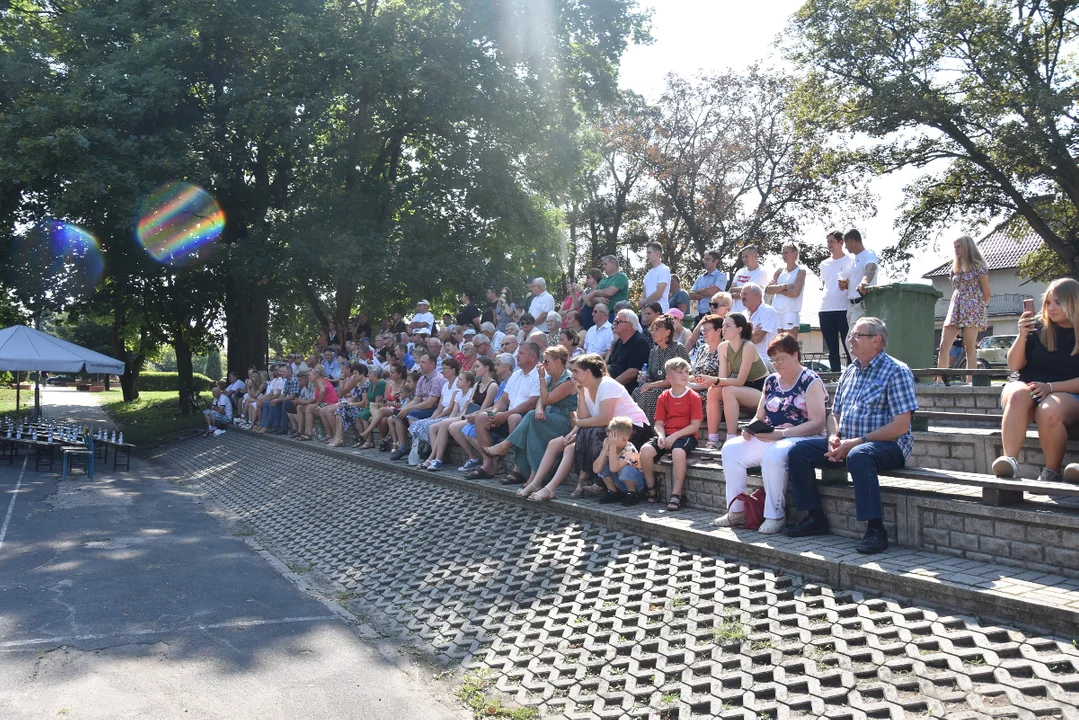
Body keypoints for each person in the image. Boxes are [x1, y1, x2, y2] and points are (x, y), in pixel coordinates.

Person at [785, 317, 917, 554]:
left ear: (877, 340)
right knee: (798, 451)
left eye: (858, 335)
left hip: (889, 445)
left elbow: (901, 426)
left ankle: (876, 530)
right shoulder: (850, 371)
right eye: (851, 335)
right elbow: (834, 413)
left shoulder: (897, 371)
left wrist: (855, 442)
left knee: (859, 455)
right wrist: (833, 437)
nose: (850, 340)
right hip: (849, 443)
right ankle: (815, 517)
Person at [716, 335, 829, 533]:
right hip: (770, 436)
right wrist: (750, 428)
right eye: (774, 360)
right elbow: (759, 415)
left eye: (781, 358)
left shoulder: (810, 380)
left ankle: (775, 515)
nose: (777, 364)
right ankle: (737, 510)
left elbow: (818, 422)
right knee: (730, 450)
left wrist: (781, 434)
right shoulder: (770, 382)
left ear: (795, 355)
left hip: (801, 437)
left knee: (773, 454)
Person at [993, 278, 1079, 483]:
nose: (1051, 307)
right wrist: (1022, 335)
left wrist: (1050, 387)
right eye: (1048, 302)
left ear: (1074, 302)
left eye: (1058, 302)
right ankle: (1009, 463)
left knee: (1048, 410)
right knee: (1018, 394)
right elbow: (1014, 365)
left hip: (1066, 392)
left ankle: (1051, 472)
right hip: (1027, 387)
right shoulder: (1038, 326)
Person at [485, 346, 578, 492]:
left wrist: (541, 377)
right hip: (552, 418)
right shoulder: (551, 378)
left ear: (558, 361)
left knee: (529, 417)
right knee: (533, 429)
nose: (543, 365)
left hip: (566, 420)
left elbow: (548, 398)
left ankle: (505, 446)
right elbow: (541, 399)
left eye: (546, 362)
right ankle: (533, 476)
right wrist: (539, 408)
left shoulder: (568, 379)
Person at [571, 353, 652, 497]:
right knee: (585, 432)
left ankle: (600, 484)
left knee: (596, 433)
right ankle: (586, 479)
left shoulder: (607, 384)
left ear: (588, 372)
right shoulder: (584, 388)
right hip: (612, 428)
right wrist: (581, 395)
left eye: (575, 371)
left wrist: (579, 422)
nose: (573, 375)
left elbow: (604, 418)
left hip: (634, 428)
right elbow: (585, 417)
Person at [465, 342, 541, 480]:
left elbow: (532, 403)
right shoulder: (516, 375)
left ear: (532, 356)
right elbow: (503, 401)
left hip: (526, 418)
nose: (517, 355)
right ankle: (488, 466)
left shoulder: (539, 374)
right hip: (508, 415)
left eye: (521, 353)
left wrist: (505, 415)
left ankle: (518, 469)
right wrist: (494, 413)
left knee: (514, 418)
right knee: (482, 417)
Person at [639, 357, 703, 511]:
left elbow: (695, 426)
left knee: (678, 452)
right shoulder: (664, 396)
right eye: (679, 372)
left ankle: (677, 493)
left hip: (686, 436)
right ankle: (651, 486)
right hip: (666, 435)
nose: (684, 375)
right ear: (669, 378)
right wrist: (661, 436)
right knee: (645, 451)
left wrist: (674, 436)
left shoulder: (694, 397)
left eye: (686, 372)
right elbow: (659, 423)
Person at [699, 312, 768, 449]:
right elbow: (723, 377)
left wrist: (715, 380)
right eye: (723, 326)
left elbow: (740, 381)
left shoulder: (748, 346)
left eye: (728, 326)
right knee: (713, 391)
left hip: (761, 393)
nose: (723, 329)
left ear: (739, 329)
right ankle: (713, 439)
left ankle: (731, 440)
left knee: (728, 390)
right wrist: (709, 381)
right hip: (741, 390)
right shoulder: (723, 347)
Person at [427, 357, 499, 471]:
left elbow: (484, 408)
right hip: (470, 415)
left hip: (479, 417)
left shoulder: (493, 386)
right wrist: (462, 415)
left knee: (453, 426)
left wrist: (467, 416)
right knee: (444, 423)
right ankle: (438, 459)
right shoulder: (477, 384)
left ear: (486, 368)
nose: (474, 369)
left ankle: (474, 458)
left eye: (477, 366)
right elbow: (469, 405)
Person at [447, 354, 514, 472]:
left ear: (507, 366)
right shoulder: (503, 382)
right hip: (492, 415)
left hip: (503, 418)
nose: (495, 367)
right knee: (462, 428)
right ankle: (488, 461)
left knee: (467, 429)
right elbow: (495, 406)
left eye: (497, 364)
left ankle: (491, 461)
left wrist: (477, 415)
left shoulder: (502, 383)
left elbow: (499, 407)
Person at [937, 235, 991, 379]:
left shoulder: (979, 267)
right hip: (956, 308)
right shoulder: (954, 268)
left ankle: (969, 382)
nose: (956, 250)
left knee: (969, 348)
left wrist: (978, 309)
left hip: (972, 309)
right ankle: (939, 382)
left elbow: (987, 292)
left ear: (967, 247)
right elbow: (956, 288)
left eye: (959, 247)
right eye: (954, 247)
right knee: (944, 345)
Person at [631, 314, 691, 420]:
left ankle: (651, 430)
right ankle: (637, 428)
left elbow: (680, 377)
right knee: (637, 391)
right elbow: (652, 376)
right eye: (652, 330)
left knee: (651, 394)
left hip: (674, 387)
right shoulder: (654, 351)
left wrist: (652, 385)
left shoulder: (678, 349)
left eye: (657, 330)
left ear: (668, 332)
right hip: (656, 386)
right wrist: (644, 378)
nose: (653, 333)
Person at [408, 358, 465, 466]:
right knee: (420, 423)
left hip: (451, 414)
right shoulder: (445, 385)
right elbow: (440, 407)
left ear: (453, 370)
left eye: (445, 368)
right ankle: (433, 454)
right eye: (442, 368)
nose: (442, 371)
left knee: (430, 425)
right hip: (442, 413)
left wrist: (436, 418)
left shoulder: (458, 384)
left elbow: (450, 408)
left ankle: (434, 456)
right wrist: (433, 417)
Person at [390, 352, 445, 460]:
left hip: (435, 409)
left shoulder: (438, 379)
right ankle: (403, 447)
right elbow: (417, 399)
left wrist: (408, 409)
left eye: (423, 362)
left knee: (411, 414)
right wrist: (404, 408)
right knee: (398, 414)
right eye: (420, 362)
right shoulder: (422, 379)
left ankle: (422, 447)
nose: (420, 364)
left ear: (432, 364)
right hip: (423, 407)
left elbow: (430, 403)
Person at [819, 230, 853, 371]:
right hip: (825, 309)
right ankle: (834, 378)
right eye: (828, 242)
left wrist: (847, 284)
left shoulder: (851, 260)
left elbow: (854, 282)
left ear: (841, 242)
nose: (829, 245)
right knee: (832, 349)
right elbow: (825, 284)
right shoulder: (824, 264)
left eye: (832, 241)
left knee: (849, 346)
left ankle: (852, 377)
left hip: (844, 308)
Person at [594, 417, 647, 506]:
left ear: (624, 439)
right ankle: (613, 492)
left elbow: (614, 468)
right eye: (608, 436)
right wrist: (604, 451)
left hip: (637, 484)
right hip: (621, 483)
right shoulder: (609, 448)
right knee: (602, 464)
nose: (609, 439)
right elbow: (596, 469)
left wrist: (613, 448)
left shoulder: (629, 450)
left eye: (613, 436)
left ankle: (632, 494)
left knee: (626, 469)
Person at [359, 362, 407, 452]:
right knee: (383, 419)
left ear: (399, 374)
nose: (390, 374)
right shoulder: (389, 383)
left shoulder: (405, 385)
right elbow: (384, 400)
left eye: (392, 373)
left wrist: (391, 403)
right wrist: (388, 403)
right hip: (388, 409)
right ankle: (384, 441)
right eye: (390, 372)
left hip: (399, 409)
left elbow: (402, 402)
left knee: (382, 411)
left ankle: (366, 433)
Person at [766, 243, 806, 339]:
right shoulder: (779, 271)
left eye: (786, 253)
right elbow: (768, 289)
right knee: (777, 345)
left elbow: (795, 293)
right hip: (776, 312)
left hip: (790, 312)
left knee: (789, 345)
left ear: (794, 254)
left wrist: (777, 289)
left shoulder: (801, 271)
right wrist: (785, 287)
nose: (783, 256)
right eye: (782, 253)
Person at [326, 364, 372, 447]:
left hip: (362, 409)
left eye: (355, 374)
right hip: (356, 408)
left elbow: (363, 403)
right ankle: (337, 437)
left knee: (342, 409)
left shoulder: (367, 385)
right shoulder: (359, 385)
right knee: (340, 408)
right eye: (353, 374)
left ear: (362, 373)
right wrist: (345, 402)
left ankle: (339, 438)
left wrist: (350, 404)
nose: (354, 376)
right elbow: (353, 398)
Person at [607, 309, 650, 392]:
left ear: (629, 325)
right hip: (613, 383)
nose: (614, 323)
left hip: (628, 389)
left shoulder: (639, 343)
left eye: (618, 321)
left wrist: (612, 386)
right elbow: (610, 365)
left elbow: (632, 372)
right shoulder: (618, 342)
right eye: (614, 321)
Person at [842, 229, 878, 326]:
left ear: (851, 241)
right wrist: (846, 285)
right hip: (851, 306)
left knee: (852, 339)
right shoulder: (854, 259)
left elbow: (871, 268)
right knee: (854, 338)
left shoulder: (869, 254)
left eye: (846, 243)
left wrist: (864, 282)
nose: (845, 247)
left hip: (861, 303)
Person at [297, 365, 339, 441]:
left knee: (309, 408)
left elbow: (322, 391)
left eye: (310, 376)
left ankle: (309, 434)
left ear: (315, 375)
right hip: (325, 403)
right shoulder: (317, 382)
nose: (309, 378)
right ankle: (306, 432)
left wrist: (316, 403)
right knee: (303, 407)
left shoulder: (320, 380)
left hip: (329, 404)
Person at [739, 283, 778, 362]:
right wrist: (751, 334)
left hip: (765, 359)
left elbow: (757, 339)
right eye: (741, 294)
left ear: (756, 294)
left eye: (745, 294)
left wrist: (742, 336)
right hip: (746, 359)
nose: (742, 297)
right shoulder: (743, 315)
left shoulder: (768, 311)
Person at [729, 245, 769, 314]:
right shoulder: (740, 271)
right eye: (743, 257)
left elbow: (752, 294)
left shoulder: (762, 272)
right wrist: (743, 292)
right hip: (735, 312)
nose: (744, 259)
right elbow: (732, 290)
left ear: (755, 256)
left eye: (746, 256)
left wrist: (739, 292)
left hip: (752, 313)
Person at [689, 250, 728, 320]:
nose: (705, 262)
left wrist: (698, 291)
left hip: (712, 315)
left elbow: (711, 292)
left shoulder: (721, 276)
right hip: (696, 315)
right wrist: (707, 290)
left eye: (707, 259)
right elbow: (691, 295)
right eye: (704, 259)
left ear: (716, 261)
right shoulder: (700, 278)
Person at [642, 241, 672, 312]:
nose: (647, 255)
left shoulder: (664, 270)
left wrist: (644, 302)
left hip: (660, 312)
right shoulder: (648, 274)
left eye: (649, 253)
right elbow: (643, 296)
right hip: (648, 313)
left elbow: (659, 294)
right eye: (647, 253)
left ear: (657, 254)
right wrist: (643, 314)